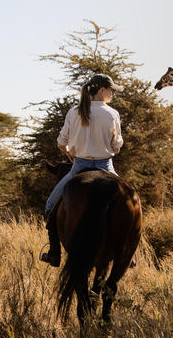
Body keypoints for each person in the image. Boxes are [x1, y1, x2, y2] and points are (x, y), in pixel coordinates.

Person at [40, 73, 124, 267]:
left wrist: (70, 151)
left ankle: (54, 254)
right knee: (132, 202)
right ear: (102, 90)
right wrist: (111, 147)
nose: (112, 94)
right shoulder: (112, 114)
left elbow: (61, 143)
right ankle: (129, 255)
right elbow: (116, 146)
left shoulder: (74, 112)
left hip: (78, 166)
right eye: (111, 90)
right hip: (106, 167)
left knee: (51, 205)